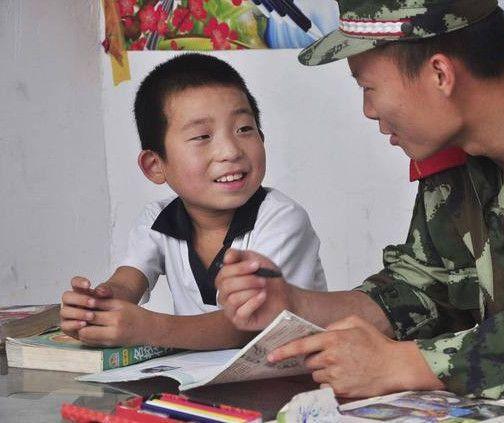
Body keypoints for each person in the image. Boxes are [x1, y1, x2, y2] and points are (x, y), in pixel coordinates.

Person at [216, 0, 504, 401]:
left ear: (439, 74)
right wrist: (293, 304)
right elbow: (423, 291)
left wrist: (406, 364)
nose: (368, 110)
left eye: (368, 87)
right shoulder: (457, 154)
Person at [60, 53, 327, 349]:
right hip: (198, 376)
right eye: (202, 136)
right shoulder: (157, 220)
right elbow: (127, 282)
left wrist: (150, 328)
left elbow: (253, 325)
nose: (230, 151)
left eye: (244, 129)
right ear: (155, 165)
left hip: (289, 372)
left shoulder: (281, 219)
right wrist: (96, 307)